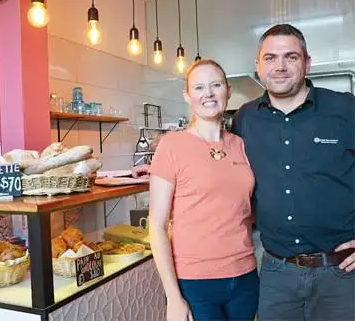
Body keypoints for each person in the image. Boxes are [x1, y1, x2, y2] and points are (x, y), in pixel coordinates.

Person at [231, 24, 355, 321]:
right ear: (258, 66)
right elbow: (219, 165)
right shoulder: (245, 118)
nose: (281, 67)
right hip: (276, 273)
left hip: (341, 272)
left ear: (307, 62)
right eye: (270, 58)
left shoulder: (345, 109)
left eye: (291, 57)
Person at [148, 59, 259, 321]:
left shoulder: (240, 145)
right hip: (195, 282)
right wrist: (173, 297)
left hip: (245, 277)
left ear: (227, 91)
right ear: (188, 96)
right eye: (198, 87)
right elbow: (157, 226)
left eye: (216, 85)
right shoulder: (171, 146)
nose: (208, 93)